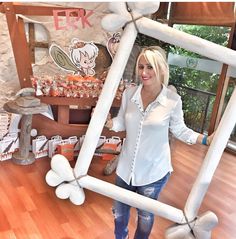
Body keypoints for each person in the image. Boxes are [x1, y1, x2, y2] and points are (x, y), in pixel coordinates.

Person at [105, 46, 214, 239]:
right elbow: (122, 120)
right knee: (119, 214)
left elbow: (180, 129)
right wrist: (110, 123)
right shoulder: (129, 94)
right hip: (125, 168)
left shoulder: (172, 100)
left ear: (161, 69)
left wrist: (205, 139)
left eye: (150, 67)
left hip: (153, 171)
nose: (144, 73)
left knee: (145, 217)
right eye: (141, 67)